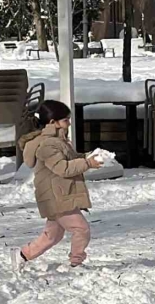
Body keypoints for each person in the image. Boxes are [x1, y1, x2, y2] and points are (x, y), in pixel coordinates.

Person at [12, 101, 101, 270]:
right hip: (56, 196)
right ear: (52, 122)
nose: (69, 123)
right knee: (81, 229)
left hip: (58, 194)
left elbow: (71, 159)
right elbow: (62, 168)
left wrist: (88, 156)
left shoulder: (57, 141)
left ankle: (22, 255)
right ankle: (76, 262)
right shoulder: (47, 144)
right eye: (65, 120)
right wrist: (87, 163)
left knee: (53, 235)